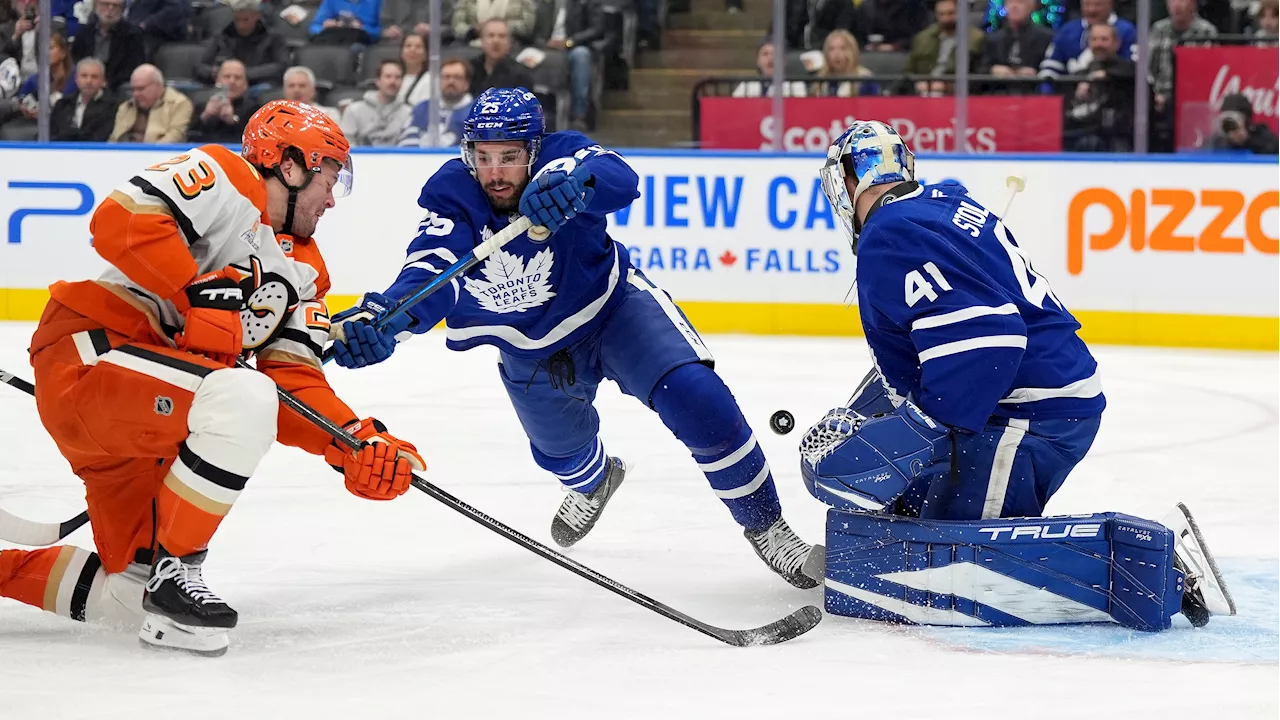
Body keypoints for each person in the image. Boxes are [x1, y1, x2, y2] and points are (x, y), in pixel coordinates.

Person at [327, 87, 823, 588]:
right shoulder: (452, 195)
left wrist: (574, 181)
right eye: (483, 157)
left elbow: (618, 176)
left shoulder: (563, 158)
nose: (495, 173)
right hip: (528, 346)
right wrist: (389, 315)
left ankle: (768, 526)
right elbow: (431, 269)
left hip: (615, 312)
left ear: (535, 150)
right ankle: (595, 482)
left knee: (698, 398)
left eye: (509, 157)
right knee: (564, 454)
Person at [0, 100, 424, 656]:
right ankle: (179, 571)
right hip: (93, 357)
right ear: (289, 164)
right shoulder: (226, 175)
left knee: (129, 599)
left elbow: (294, 382)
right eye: (327, 178)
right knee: (244, 394)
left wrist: (352, 441)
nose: (330, 198)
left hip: (154, 421)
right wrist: (193, 291)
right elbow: (117, 222)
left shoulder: (306, 273)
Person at [804, 119, 1235, 630]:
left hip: (1028, 414)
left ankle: (1151, 569)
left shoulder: (890, 232)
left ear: (847, 180)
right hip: (1031, 400)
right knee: (914, 512)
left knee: (959, 564)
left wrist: (913, 430)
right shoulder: (936, 204)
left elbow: (989, 340)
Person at [1064, 23, 1135, 152]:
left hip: (1119, 138)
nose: (1099, 44)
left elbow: (1130, 73)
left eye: (1104, 39)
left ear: (1116, 43)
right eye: (1094, 39)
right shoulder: (1081, 74)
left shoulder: (1129, 70)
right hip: (1084, 133)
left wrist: (1107, 75)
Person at [1039, 0, 1136, 80]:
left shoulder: (1127, 30)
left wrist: (1108, 74)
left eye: (1098, 4)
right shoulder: (1067, 30)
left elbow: (1135, 68)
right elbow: (1050, 67)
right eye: (1087, 4)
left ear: (1110, 4)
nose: (1091, 10)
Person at [978, 0, 1052, 93]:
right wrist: (992, 70)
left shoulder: (1046, 38)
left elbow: (1052, 70)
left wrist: (1036, 73)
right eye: (1011, 2)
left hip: (1033, 94)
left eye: (1020, 2)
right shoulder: (994, 39)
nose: (1014, 7)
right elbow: (980, 70)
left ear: (1032, 7)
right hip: (1000, 94)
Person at [397, 56, 473, 147]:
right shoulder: (422, 109)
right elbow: (406, 144)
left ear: (466, 84)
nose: (451, 82)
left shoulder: (478, 114)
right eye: (446, 77)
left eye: (457, 77)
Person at [109, 63, 193, 143]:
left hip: (161, 154)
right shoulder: (125, 107)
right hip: (124, 154)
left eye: (140, 89)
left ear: (158, 86)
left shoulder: (180, 104)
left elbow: (175, 137)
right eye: (133, 90)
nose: (135, 94)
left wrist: (147, 152)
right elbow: (114, 139)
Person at [339, 58, 412, 146]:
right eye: (388, 76)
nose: (393, 81)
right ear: (378, 81)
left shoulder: (410, 113)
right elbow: (345, 144)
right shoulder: (354, 111)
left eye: (397, 77)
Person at [189, 58, 260, 143]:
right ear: (217, 80)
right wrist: (205, 117)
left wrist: (232, 120)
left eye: (237, 78)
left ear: (246, 84)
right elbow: (188, 137)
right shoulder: (201, 103)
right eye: (227, 76)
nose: (232, 81)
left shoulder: (254, 109)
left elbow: (253, 141)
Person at [50, 56, 114, 141]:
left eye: (94, 77)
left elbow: (101, 138)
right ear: (76, 79)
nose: (88, 81)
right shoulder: (62, 104)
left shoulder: (113, 106)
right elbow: (50, 134)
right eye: (84, 76)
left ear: (102, 81)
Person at [812, 29, 877, 98]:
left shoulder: (864, 79)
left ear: (853, 52)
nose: (837, 54)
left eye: (843, 48)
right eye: (831, 49)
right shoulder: (821, 79)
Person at [1210, 92, 1280, 154]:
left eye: (1236, 120)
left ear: (1247, 121)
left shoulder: (1265, 139)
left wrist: (1246, 141)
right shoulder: (1217, 142)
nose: (1231, 124)